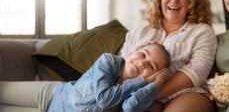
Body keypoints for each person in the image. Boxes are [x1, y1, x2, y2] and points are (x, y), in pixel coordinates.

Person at [119, 0, 217, 112]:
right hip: (138, 95)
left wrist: (148, 95)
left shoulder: (202, 31)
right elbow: (121, 67)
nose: (174, 0)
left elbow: (196, 72)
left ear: (192, 1)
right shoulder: (139, 32)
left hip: (186, 93)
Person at [0, 42, 171, 112]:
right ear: (136, 49)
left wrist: (155, 85)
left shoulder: (142, 91)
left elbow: (130, 107)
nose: (142, 63)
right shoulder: (109, 61)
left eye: (151, 66)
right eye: (143, 54)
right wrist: (145, 79)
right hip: (51, 94)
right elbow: (104, 99)